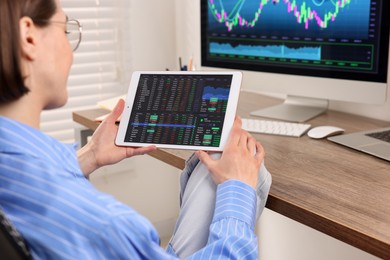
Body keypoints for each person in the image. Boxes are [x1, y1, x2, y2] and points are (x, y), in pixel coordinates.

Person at [0, 0, 272, 259]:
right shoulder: (106, 225)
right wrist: (237, 189)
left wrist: (90, 155)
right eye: (66, 29)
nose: (71, 50)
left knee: (213, 160)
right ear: (29, 38)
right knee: (240, 166)